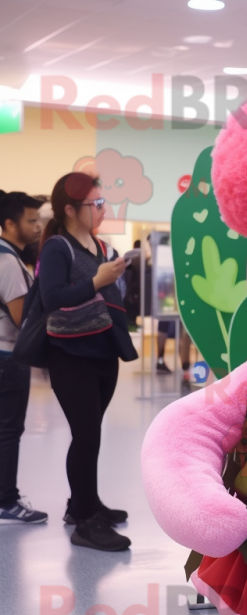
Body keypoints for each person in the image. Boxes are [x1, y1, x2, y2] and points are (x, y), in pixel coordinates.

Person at [38, 172, 138, 551]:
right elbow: (52, 298)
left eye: (102, 202)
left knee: (91, 434)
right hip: (70, 355)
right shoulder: (57, 247)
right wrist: (98, 280)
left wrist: (111, 276)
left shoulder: (99, 246)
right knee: (86, 435)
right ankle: (85, 521)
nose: (102, 209)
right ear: (70, 209)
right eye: (95, 203)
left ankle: (84, 502)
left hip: (103, 351)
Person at [0, 191, 47, 524]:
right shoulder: (8, 263)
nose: (37, 226)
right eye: (31, 221)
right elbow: (22, 319)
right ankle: (6, 500)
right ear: (10, 224)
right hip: (7, 356)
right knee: (8, 429)